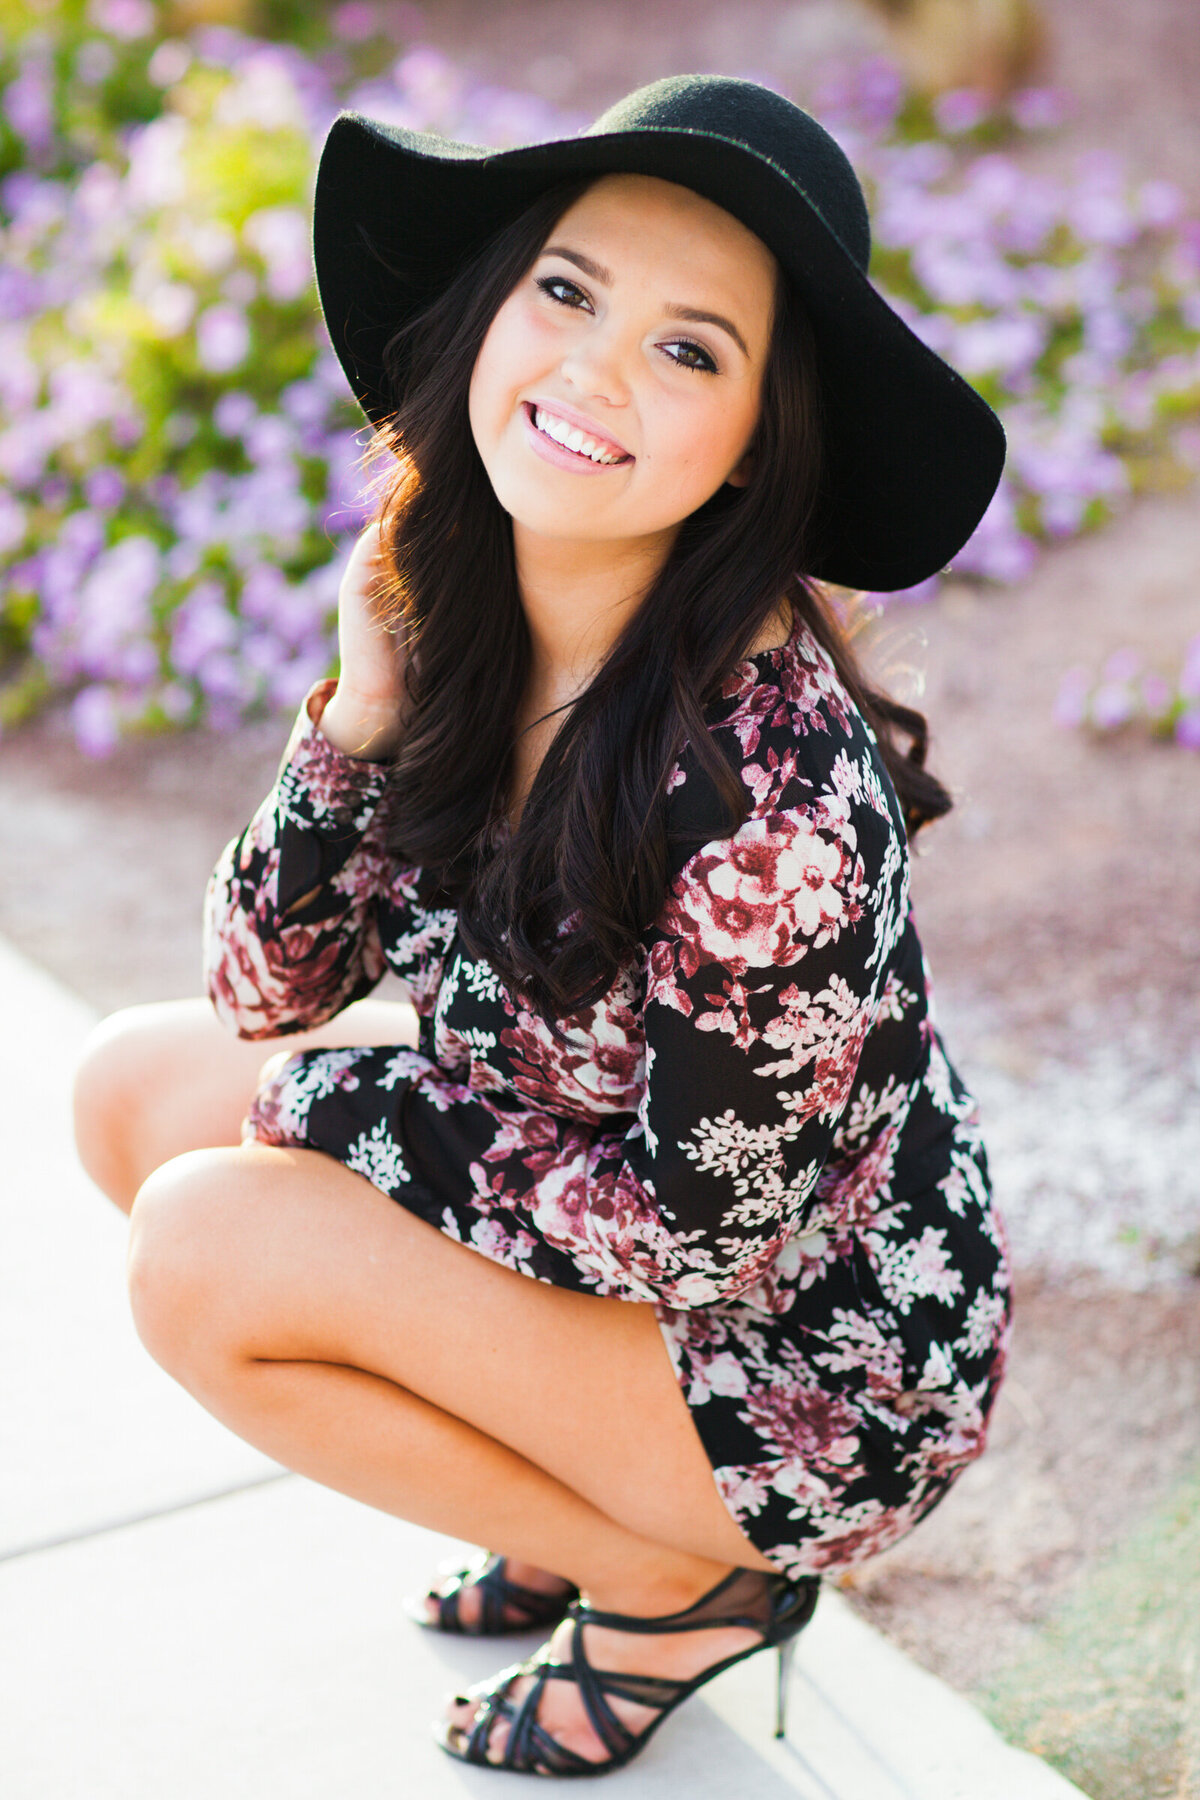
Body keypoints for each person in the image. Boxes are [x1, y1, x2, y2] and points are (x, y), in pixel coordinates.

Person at [73, 74, 1013, 1777]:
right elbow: (261, 987)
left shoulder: (765, 801)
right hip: (581, 1187)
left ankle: (673, 1583)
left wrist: (340, 1115)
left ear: (755, 448)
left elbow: (690, 1242)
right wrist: (359, 714)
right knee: (136, 1093)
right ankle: (582, 1493)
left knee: (206, 1248)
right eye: (569, 291)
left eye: (690, 349)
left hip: (799, 1363)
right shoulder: (476, 611)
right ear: (494, 304)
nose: (592, 370)